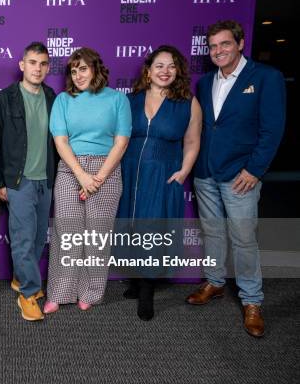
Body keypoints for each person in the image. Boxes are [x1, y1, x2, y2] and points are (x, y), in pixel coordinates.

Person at [185, 20, 286, 338]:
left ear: (240, 44)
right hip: (206, 174)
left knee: (244, 240)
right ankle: (215, 282)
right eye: (213, 46)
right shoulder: (204, 83)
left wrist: (255, 170)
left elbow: (272, 130)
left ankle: (252, 301)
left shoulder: (266, 77)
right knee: (213, 233)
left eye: (224, 44)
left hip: (240, 176)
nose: (218, 51)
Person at [116, 45, 202, 321]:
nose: (165, 71)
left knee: (152, 228)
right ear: (148, 71)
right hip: (129, 171)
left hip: (163, 173)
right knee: (129, 224)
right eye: (159, 66)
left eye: (171, 66)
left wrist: (184, 171)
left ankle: (147, 289)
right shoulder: (130, 100)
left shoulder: (188, 102)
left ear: (178, 72)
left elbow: (192, 141)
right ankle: (136, 279)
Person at [45, 47, 131, 315]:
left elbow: (121, 141)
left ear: (95, 69)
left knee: (97, 236)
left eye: (83, 68)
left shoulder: (118, 100)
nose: (78, 75)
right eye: (73, 70)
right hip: (72, 169)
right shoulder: (63, 100)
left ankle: (90, 292)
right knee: (67, 235)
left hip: (106, 169)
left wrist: (99, 177)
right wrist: (82, 176)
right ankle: (59, 293)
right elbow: (60, 141)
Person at [0, 42, 57, 321]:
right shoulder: (5, 99)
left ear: (48, 67)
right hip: (19, 181)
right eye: (32, 62)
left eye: (42, 64)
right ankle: (28, 293)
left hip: (46, 180)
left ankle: (21, 277)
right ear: (22, 65)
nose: (37, 68)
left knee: (39, 237)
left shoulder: (53, 97)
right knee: (23, 238)